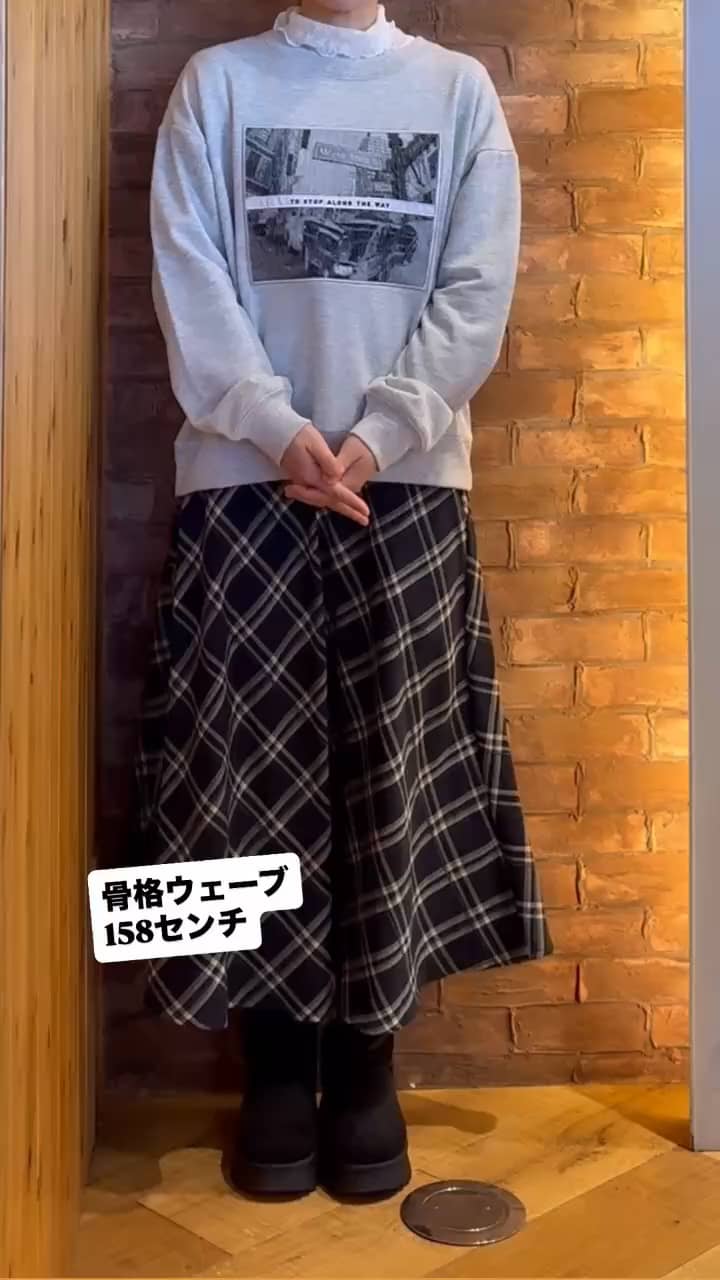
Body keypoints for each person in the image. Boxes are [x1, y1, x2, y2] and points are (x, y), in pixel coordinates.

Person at [132, 0, 553, 1202]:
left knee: (396, 771)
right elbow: (188, 278)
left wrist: (380, 431)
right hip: (240, 479)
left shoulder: (456, 94)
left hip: (404, 483)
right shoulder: (217, 84)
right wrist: (275, 427)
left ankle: (369, 1065)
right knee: (234, 771)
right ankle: (268, 1064)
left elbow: (477, 288)